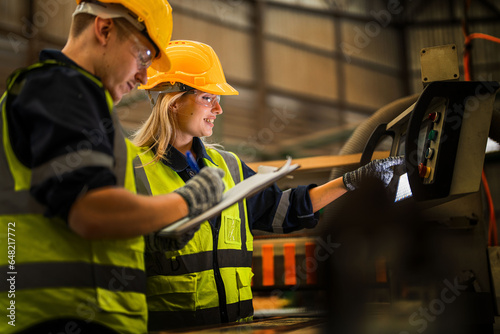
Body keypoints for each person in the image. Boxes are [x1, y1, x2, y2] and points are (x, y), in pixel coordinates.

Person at [132, 40, 405, 330]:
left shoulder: (230, 166)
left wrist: (351, 181)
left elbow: (284, 209)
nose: (219, 109)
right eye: (208, 98)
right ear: (174, 102)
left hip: (237, 328)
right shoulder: (132, 168)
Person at [0, 2, 226, 334]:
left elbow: (70, 212)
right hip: (62, 317)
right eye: (145, 57)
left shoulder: (64, 97)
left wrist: (152, 233)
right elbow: (92, 212)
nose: (145, 76)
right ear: (104, 29)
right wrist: (186, 203)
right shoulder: (63, 90)